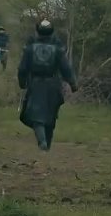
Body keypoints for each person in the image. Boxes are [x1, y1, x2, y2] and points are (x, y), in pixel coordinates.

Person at [17, 19, 77, 151]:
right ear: (52, 31)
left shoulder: (30, 48)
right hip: (53, 84)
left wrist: (22, 82)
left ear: (38, 31)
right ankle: (46, 145)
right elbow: (66, 68)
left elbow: (22, 69)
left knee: (36, 116)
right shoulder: (58, 49)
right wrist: (72, 83)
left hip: (36, 84)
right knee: (50, 115)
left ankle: (42, 142)